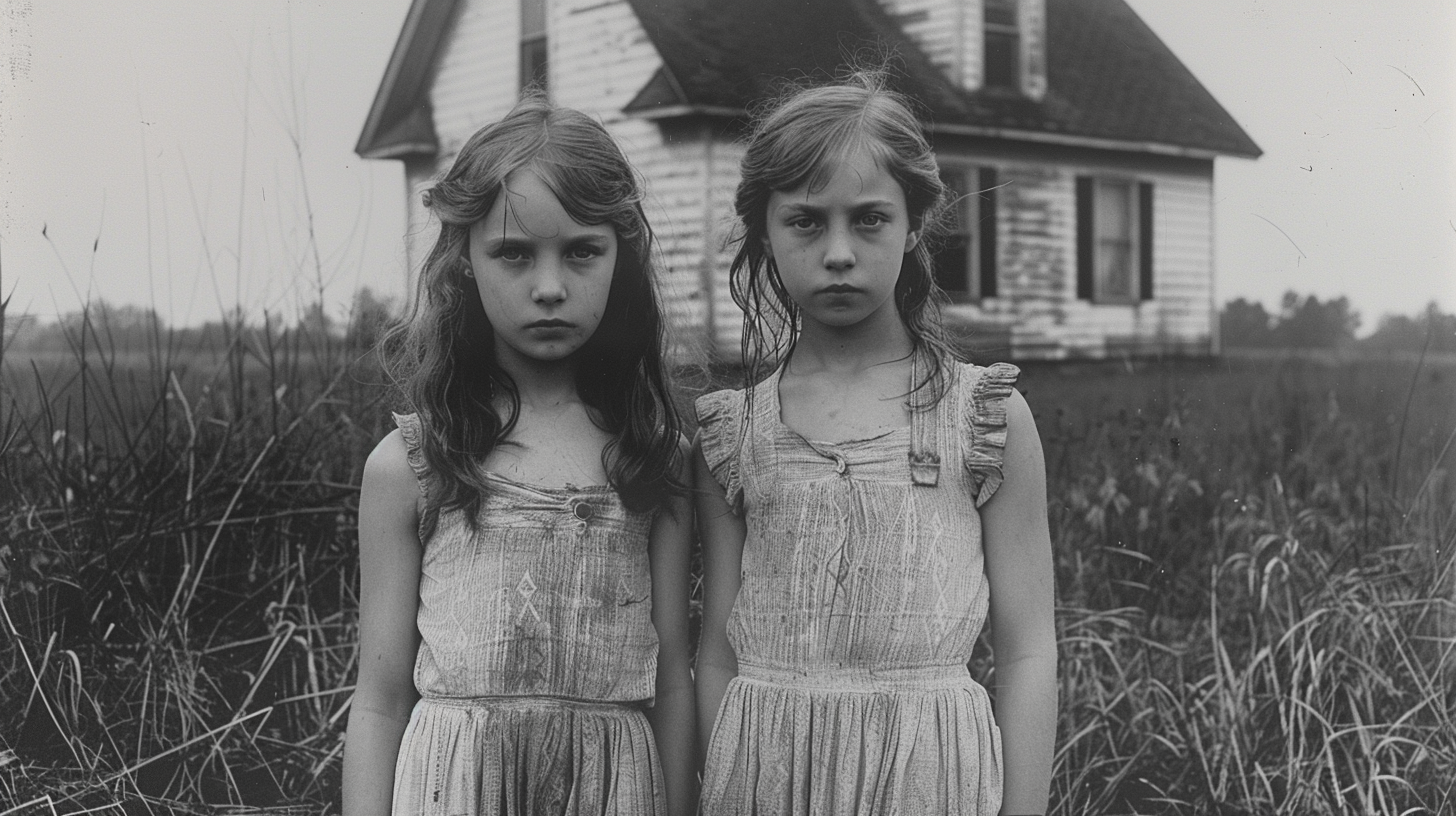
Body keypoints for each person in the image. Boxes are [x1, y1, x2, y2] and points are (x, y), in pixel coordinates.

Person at [693, 72, 1057, 815]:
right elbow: (717, 654)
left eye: (868, 220)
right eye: (804, 221)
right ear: (763, 228)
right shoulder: (736, 433)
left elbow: (1028, 652)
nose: (837, 252)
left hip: (931, 779)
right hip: (768, 779)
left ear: (915, 223)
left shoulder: (983, 419)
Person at [342, 98, 696, 816]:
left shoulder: (653, 457)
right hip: (455, 791)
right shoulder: (414, 463)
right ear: (465, 261)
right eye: (513, 253)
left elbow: (675, 683)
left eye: (581, 251)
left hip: (614, 793)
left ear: (619, 258)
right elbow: (380, 702)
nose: (549, 287)